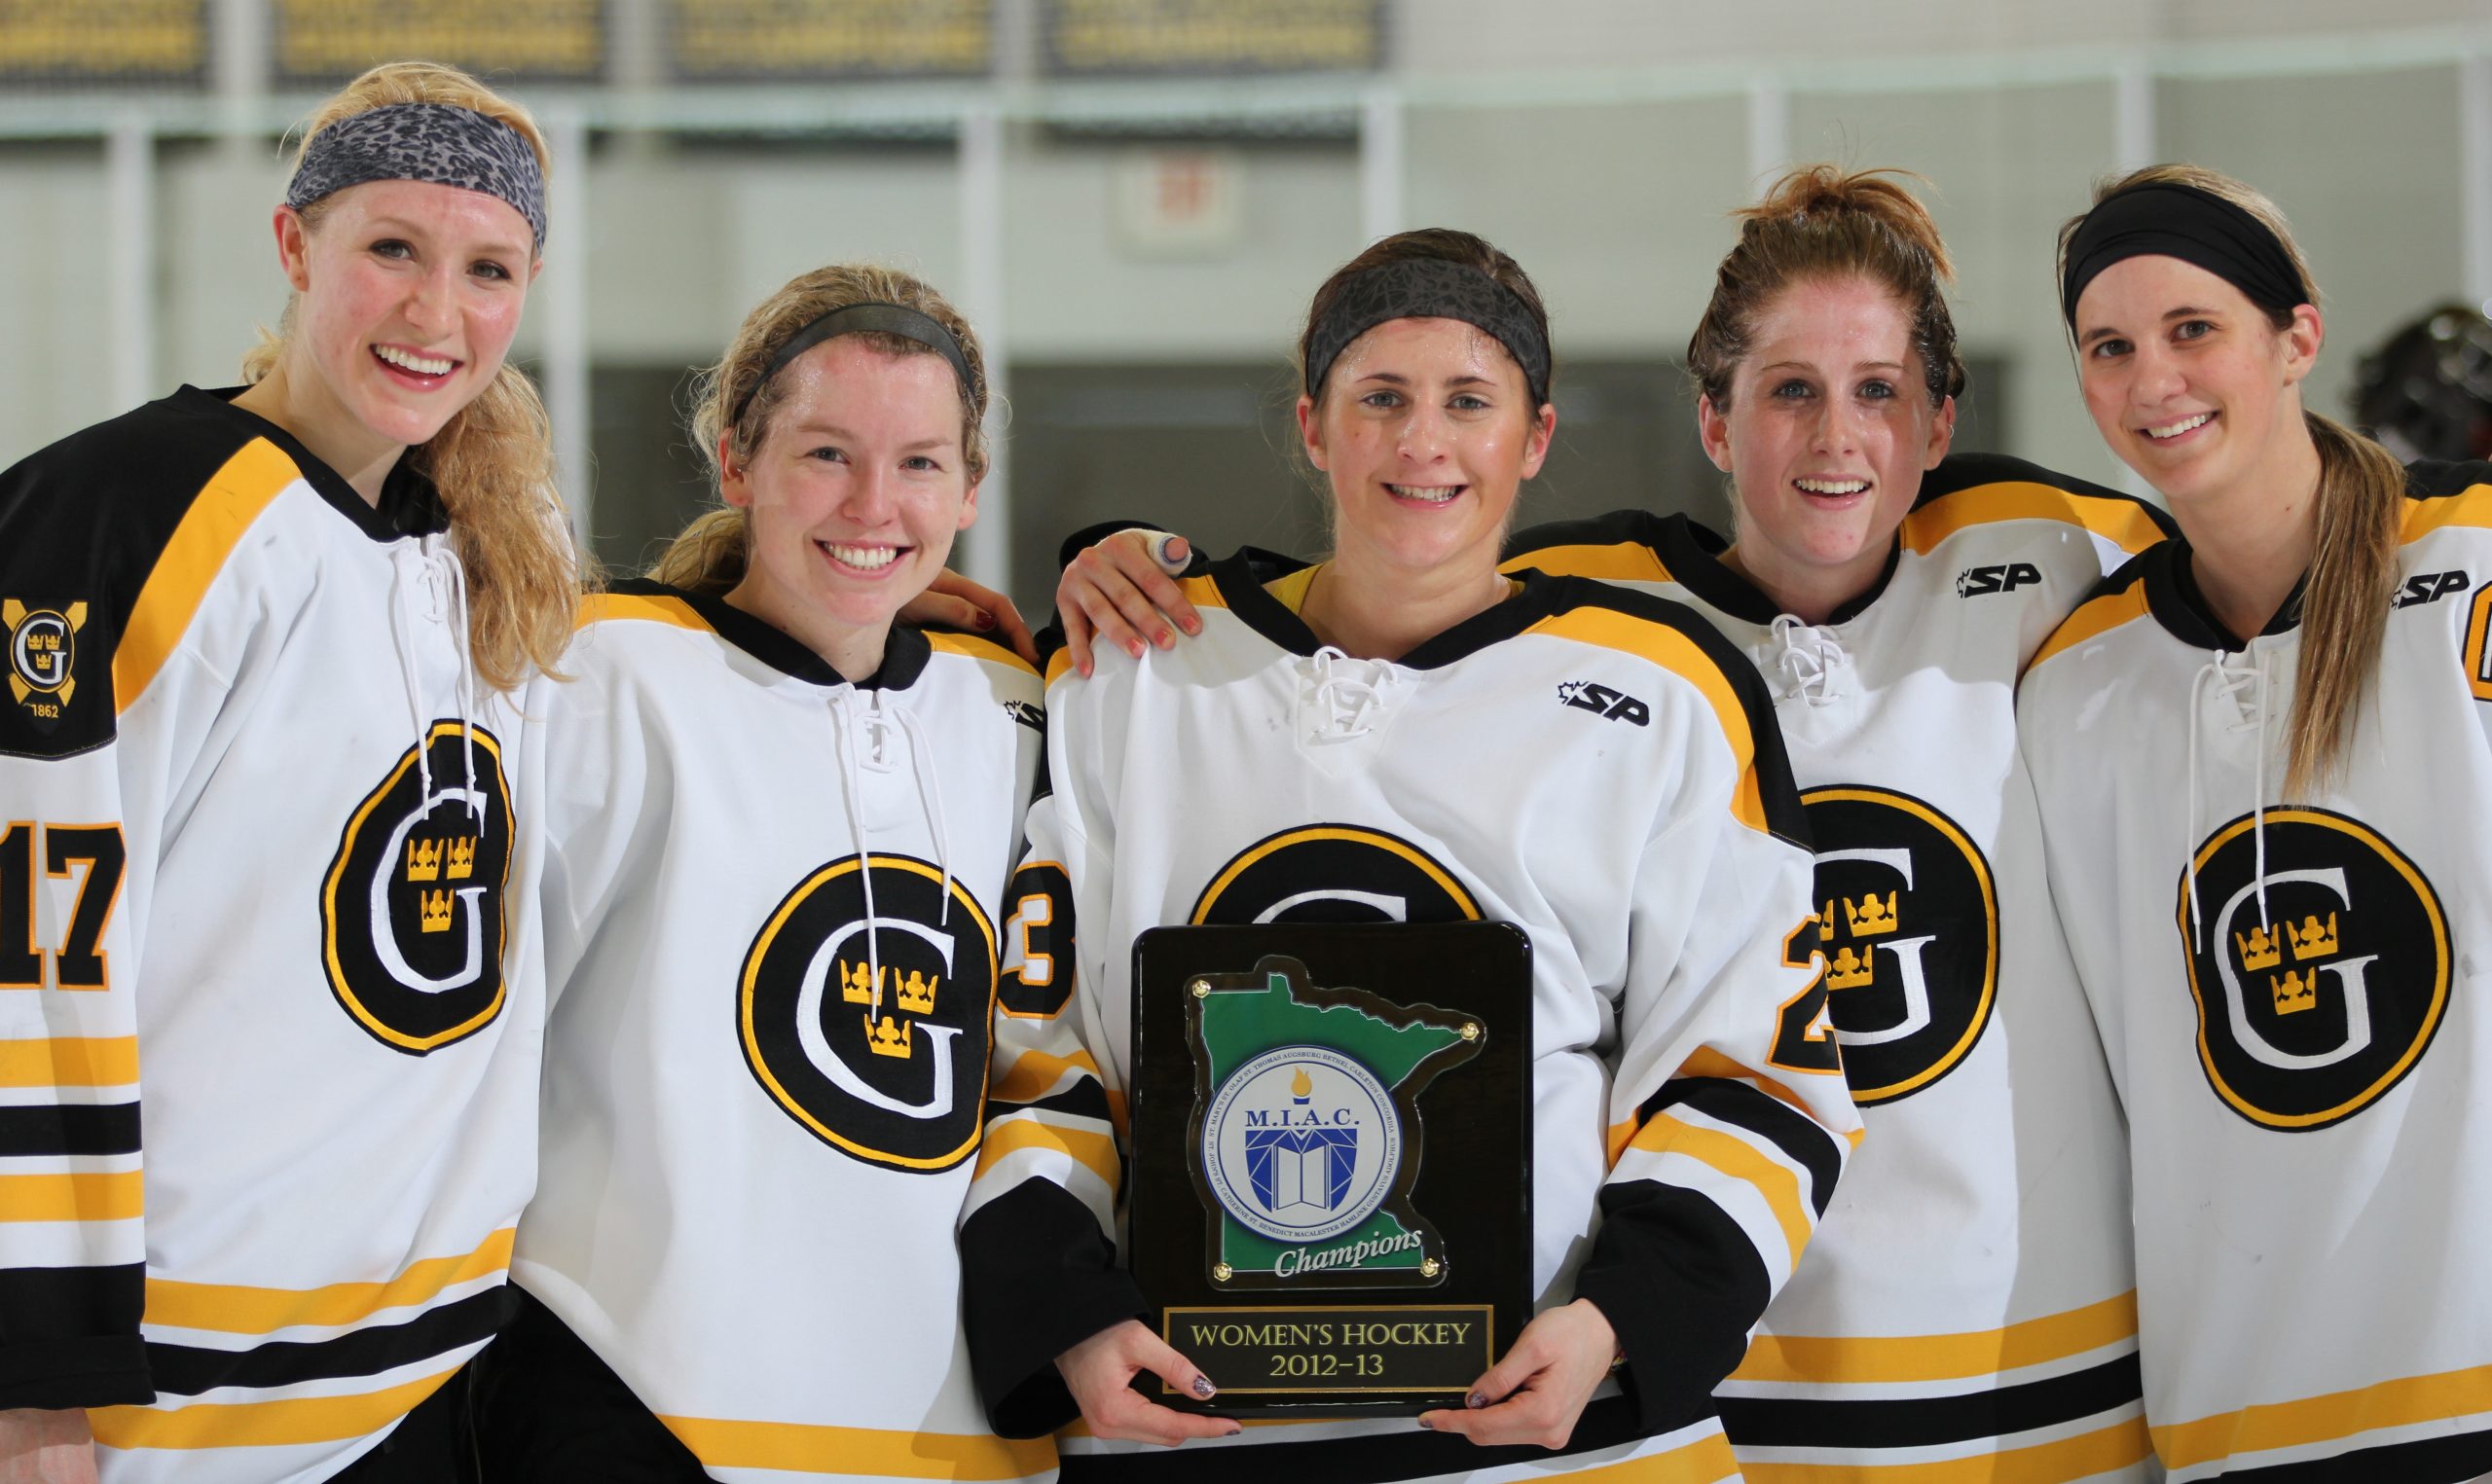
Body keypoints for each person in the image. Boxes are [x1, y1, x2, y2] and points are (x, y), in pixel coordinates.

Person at [1052, 167, 2169, 1481]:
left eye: (1877, 391)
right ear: (1713, 420)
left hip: (2002, 1367)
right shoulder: (1596, 603)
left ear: (1938, 420)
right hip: (1695, 1382)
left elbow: (2255, 555)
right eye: (1788, 391)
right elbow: (1370, 605)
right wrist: (1119, 565)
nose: (1835, 437)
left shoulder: (2049, 554)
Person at [962, 227, 1860, 1483]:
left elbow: (1758, 1075)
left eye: (1468, 402)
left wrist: (1618, 1327)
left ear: (1535, 437)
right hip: (1202, 1430)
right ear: (1314, 427)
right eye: (1380, 398)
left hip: (1565, 1444)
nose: (1423, 442)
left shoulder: (1664, 691)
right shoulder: (1142, 672)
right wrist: (1068, 1313)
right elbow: (1047, 1059)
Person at [0, 61, 576, 1483]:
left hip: (426, 1384)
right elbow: (30, 965)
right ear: (293, 243)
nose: (439, 315)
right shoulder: (119, 511)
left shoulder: (494, 553)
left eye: (487, 268)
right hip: (162, 1407)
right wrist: (34, 1383)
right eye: (393, 249)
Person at [469, 265, 1052, 1484]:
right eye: (827, 454)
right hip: (627, 1395)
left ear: (971, 486)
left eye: (920, 464)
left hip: (938, 1429)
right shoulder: (598, 675)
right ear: (737, 464)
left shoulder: (1008, 706)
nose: (874, 503)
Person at [2023, 165, 2492, 1482]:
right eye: (2109, 348)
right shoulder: (2077, 686)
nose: (2152, 381)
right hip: (2237, 1410)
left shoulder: (2469, 572)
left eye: (2193, 330)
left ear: (2297, 338)